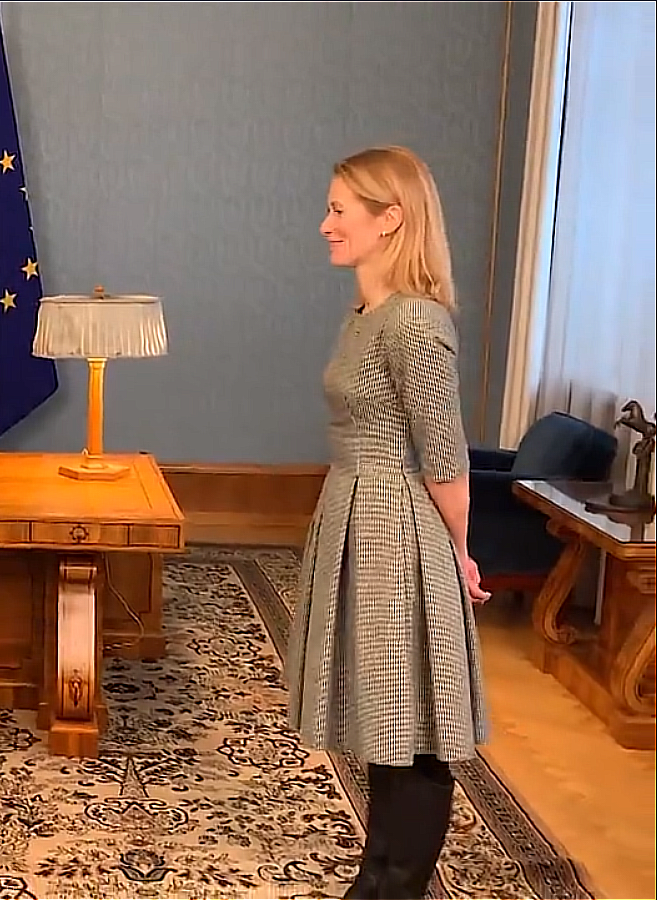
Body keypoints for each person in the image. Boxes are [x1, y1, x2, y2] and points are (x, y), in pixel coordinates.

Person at [285, 145, 492, 900]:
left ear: (390, 219)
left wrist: (458, 552)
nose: (325, 224)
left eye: (339, 209)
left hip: (397, 528)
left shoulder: (414, 322)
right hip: (357, 512)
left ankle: (397, 887)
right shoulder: (366, 315)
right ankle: (374, 878)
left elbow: (445, 458)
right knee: (385, 711)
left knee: (414, 723)